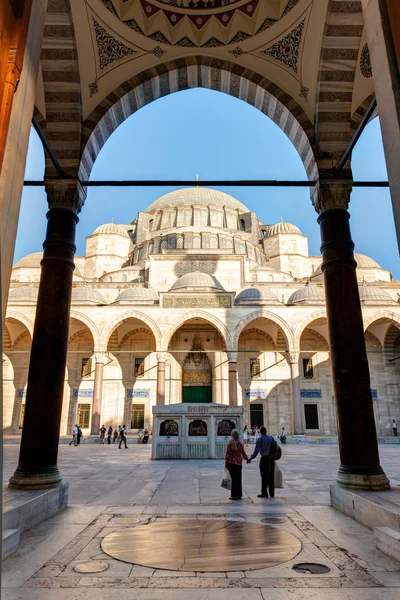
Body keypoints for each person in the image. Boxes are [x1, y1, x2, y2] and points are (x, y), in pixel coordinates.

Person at [249, 426, 275, 498]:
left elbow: (256, 451)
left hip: (264, 459)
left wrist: (250, 458)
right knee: (271, 476)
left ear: (260, 432)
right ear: (266, 431)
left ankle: (264, 493)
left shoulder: (260, 439)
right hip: (271, 459)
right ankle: (272, 493)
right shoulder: (271, 438)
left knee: (264, 476)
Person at [224, 429, 249, 500]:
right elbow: (243, 453)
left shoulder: (230, 444)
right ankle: (239, 494)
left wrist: (226, 463)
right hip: (238, 464)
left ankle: (234, 495)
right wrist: (247, 459)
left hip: (231, 463)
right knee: (238, 479)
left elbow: (227, 455)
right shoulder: (240, 444)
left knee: (233, 479)